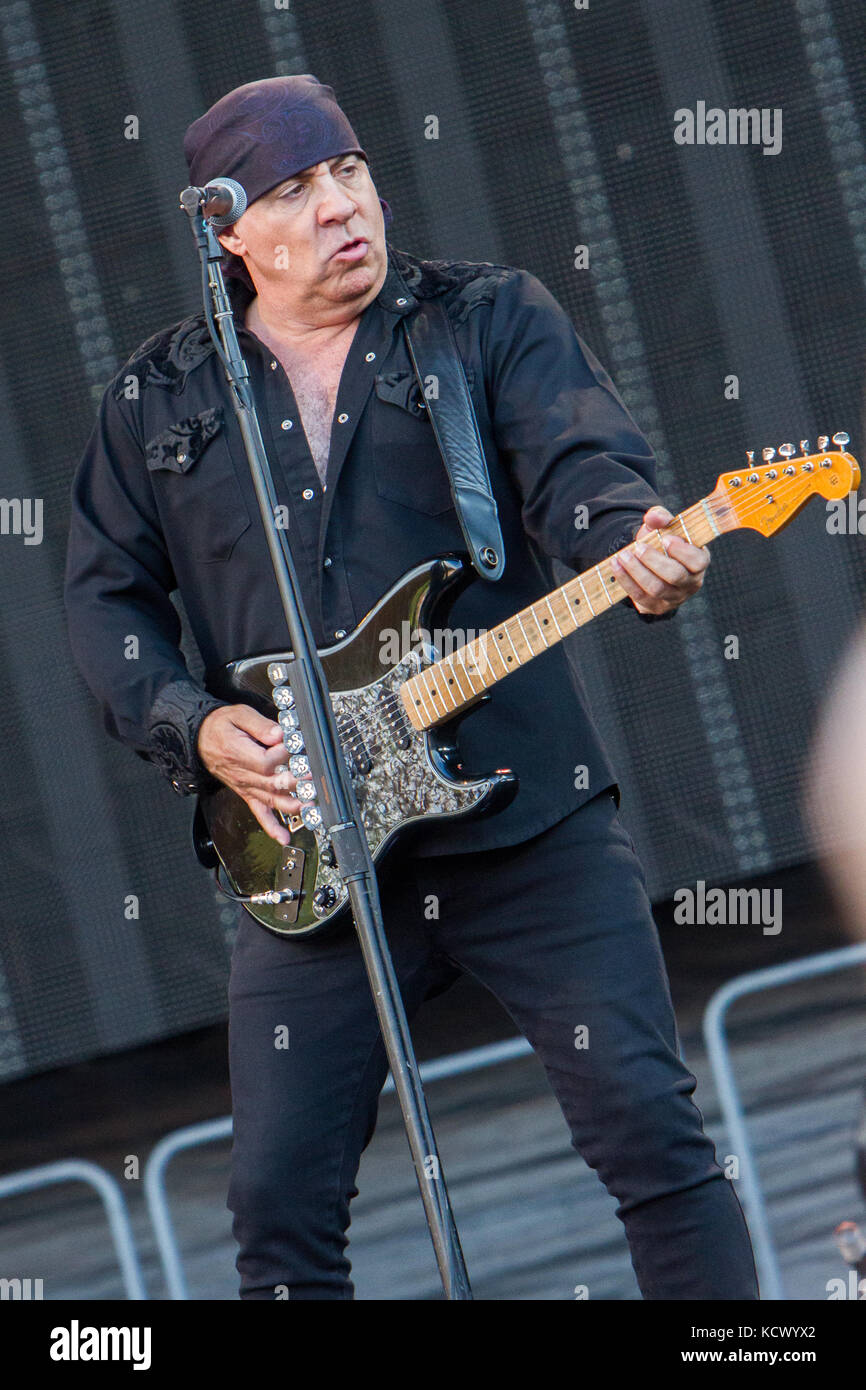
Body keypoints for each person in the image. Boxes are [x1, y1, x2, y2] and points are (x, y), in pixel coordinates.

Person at [64, 74, 759, 1300]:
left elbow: (580, 468)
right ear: (228, 232)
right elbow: (102, 600)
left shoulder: (482, 318)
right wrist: (195, 721)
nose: (339, 207)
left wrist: (628, 547)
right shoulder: (158, 400)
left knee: (653, 1141)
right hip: (309, 852)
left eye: (350, 172)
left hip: (522, 821)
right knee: (276, 1218)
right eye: (293, 189)